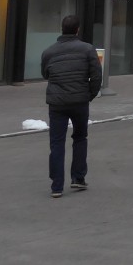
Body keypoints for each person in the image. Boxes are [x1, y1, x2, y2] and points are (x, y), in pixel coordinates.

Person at [40, 14, 101, 199]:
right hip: (80, 101)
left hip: (57, 103)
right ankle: (78, 178)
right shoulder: (88, 49)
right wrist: (89, 95)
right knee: (80, 137)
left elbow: (45, 74)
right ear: (77, 30)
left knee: (57, 143)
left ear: (62, 29)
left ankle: (56, 186)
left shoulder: (49, 52)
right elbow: (96, 75)